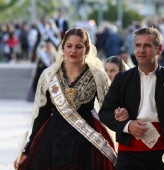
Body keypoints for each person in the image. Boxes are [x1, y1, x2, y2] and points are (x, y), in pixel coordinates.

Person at [14, 27, 126, 170]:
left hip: (87, 139)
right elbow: (42, 115)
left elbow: (107, 109)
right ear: (63, 47)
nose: (73, 51)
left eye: (78, 47)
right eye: (69, 46)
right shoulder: (49, 75)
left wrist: (122, 118)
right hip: (52, 138)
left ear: (86, 48)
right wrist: (28, 149)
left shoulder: (98, 76)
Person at [99, 27, 164, 170]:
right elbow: (105, 113)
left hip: (162, 153)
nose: (141, 50)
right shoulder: (122, 78)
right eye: (138, 45)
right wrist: (127, 125)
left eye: (147, 45)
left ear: (159, 49)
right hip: (128, 153)